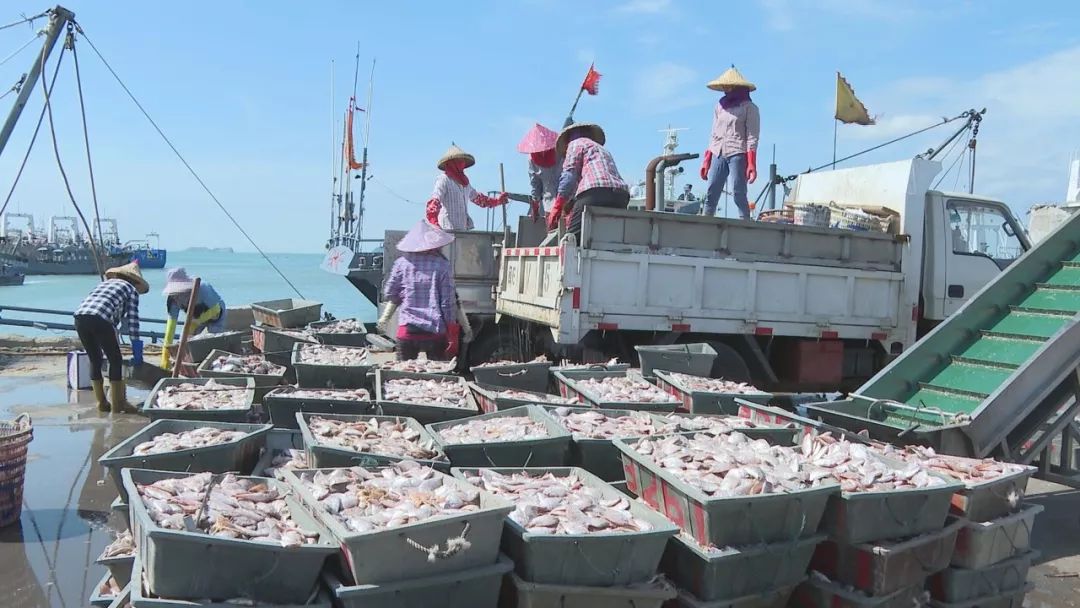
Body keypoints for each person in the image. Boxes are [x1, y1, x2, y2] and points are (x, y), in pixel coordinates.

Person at [377, 221, 472, 361]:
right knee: (437, 376)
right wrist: (455, 330)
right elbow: (448, 303)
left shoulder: (401, 264)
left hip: (407, 332)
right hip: (434, 333)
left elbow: (390, 294)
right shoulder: (442, 266)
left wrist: (385, 319)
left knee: (402, 375)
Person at [73, 262, 147, 413]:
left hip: (80, 317)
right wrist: (137, 349)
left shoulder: (105, 284)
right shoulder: (131, 289)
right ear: (135, 281)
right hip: (101, 319)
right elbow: (133, 321)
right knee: (115, 360)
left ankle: (101, 403)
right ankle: (118, 405)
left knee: (95, 359)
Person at [548, 122, 630, 236]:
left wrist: (557, 206)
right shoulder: (601, 149)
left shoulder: (575, 144)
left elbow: (569, 177)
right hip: (621, 196)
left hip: (595, 192)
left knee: (572, 239)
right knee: (604, 236)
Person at [700, 66, 760, 220]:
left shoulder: (750, 108)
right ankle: (706, 223)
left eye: (729, 85)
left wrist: (752, 163)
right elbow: (714, 134)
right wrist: (707, 160)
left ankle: (745, 223)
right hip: (718, 152)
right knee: (711, 191)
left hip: (738, 152)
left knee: (738, 192)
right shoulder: (720, 106)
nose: (726, 88)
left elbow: (752, 136)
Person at [425, 144, 509, 231]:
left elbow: (480, 200)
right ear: (452, 163)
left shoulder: (465, 183)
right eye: (459, 161)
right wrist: (435, 224)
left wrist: (498, 201)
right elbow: (434, 201)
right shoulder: (444, 180)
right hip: (447, 230)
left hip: (462, 230)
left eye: (463, 161)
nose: (462, 163)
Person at [159, 267, 227, 369]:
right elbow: (170, 327)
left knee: (212, 341)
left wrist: (195, 323)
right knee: (184, 342)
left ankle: (209, 367)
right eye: (174, 294)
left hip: (215, 313)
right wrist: (165, 357)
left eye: (179, 293)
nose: (177, 297)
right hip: (193, 316)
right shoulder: (172, 300)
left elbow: (216, 311)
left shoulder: (203, 289)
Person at [517, 123, 561, 217]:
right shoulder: (532, 159)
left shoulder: (561, 154)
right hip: (549, 204)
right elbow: (535, 184)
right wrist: (535, 204)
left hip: (564, 202)